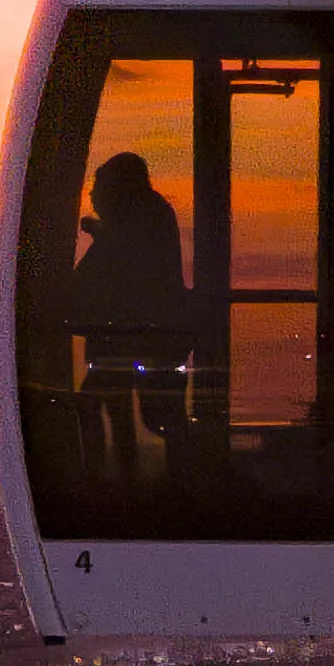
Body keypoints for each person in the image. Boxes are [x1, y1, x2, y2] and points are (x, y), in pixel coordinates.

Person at [76, 150, 194, 446]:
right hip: (147, 338)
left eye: (99, 186)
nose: (92, 194)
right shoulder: (149, 214)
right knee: (142, 413)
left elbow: (107, 266)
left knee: (149, 415)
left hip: (139, 338)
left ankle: (103, 481)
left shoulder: (136, 219)